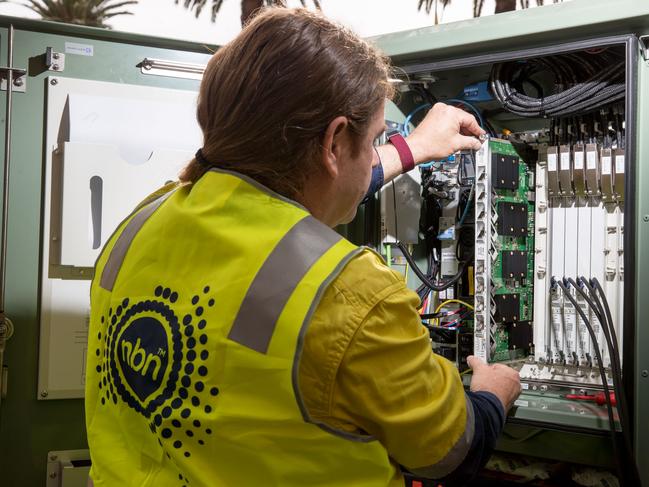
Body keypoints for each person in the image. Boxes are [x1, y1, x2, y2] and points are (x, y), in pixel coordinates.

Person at [85, 7, 521, 487]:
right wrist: (490, 394)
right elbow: (450, 452)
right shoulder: (350, 292)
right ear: (333, 142)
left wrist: (410, 148)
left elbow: (285, 192)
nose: (376, 151)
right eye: (375, 138)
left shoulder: (143, 221)